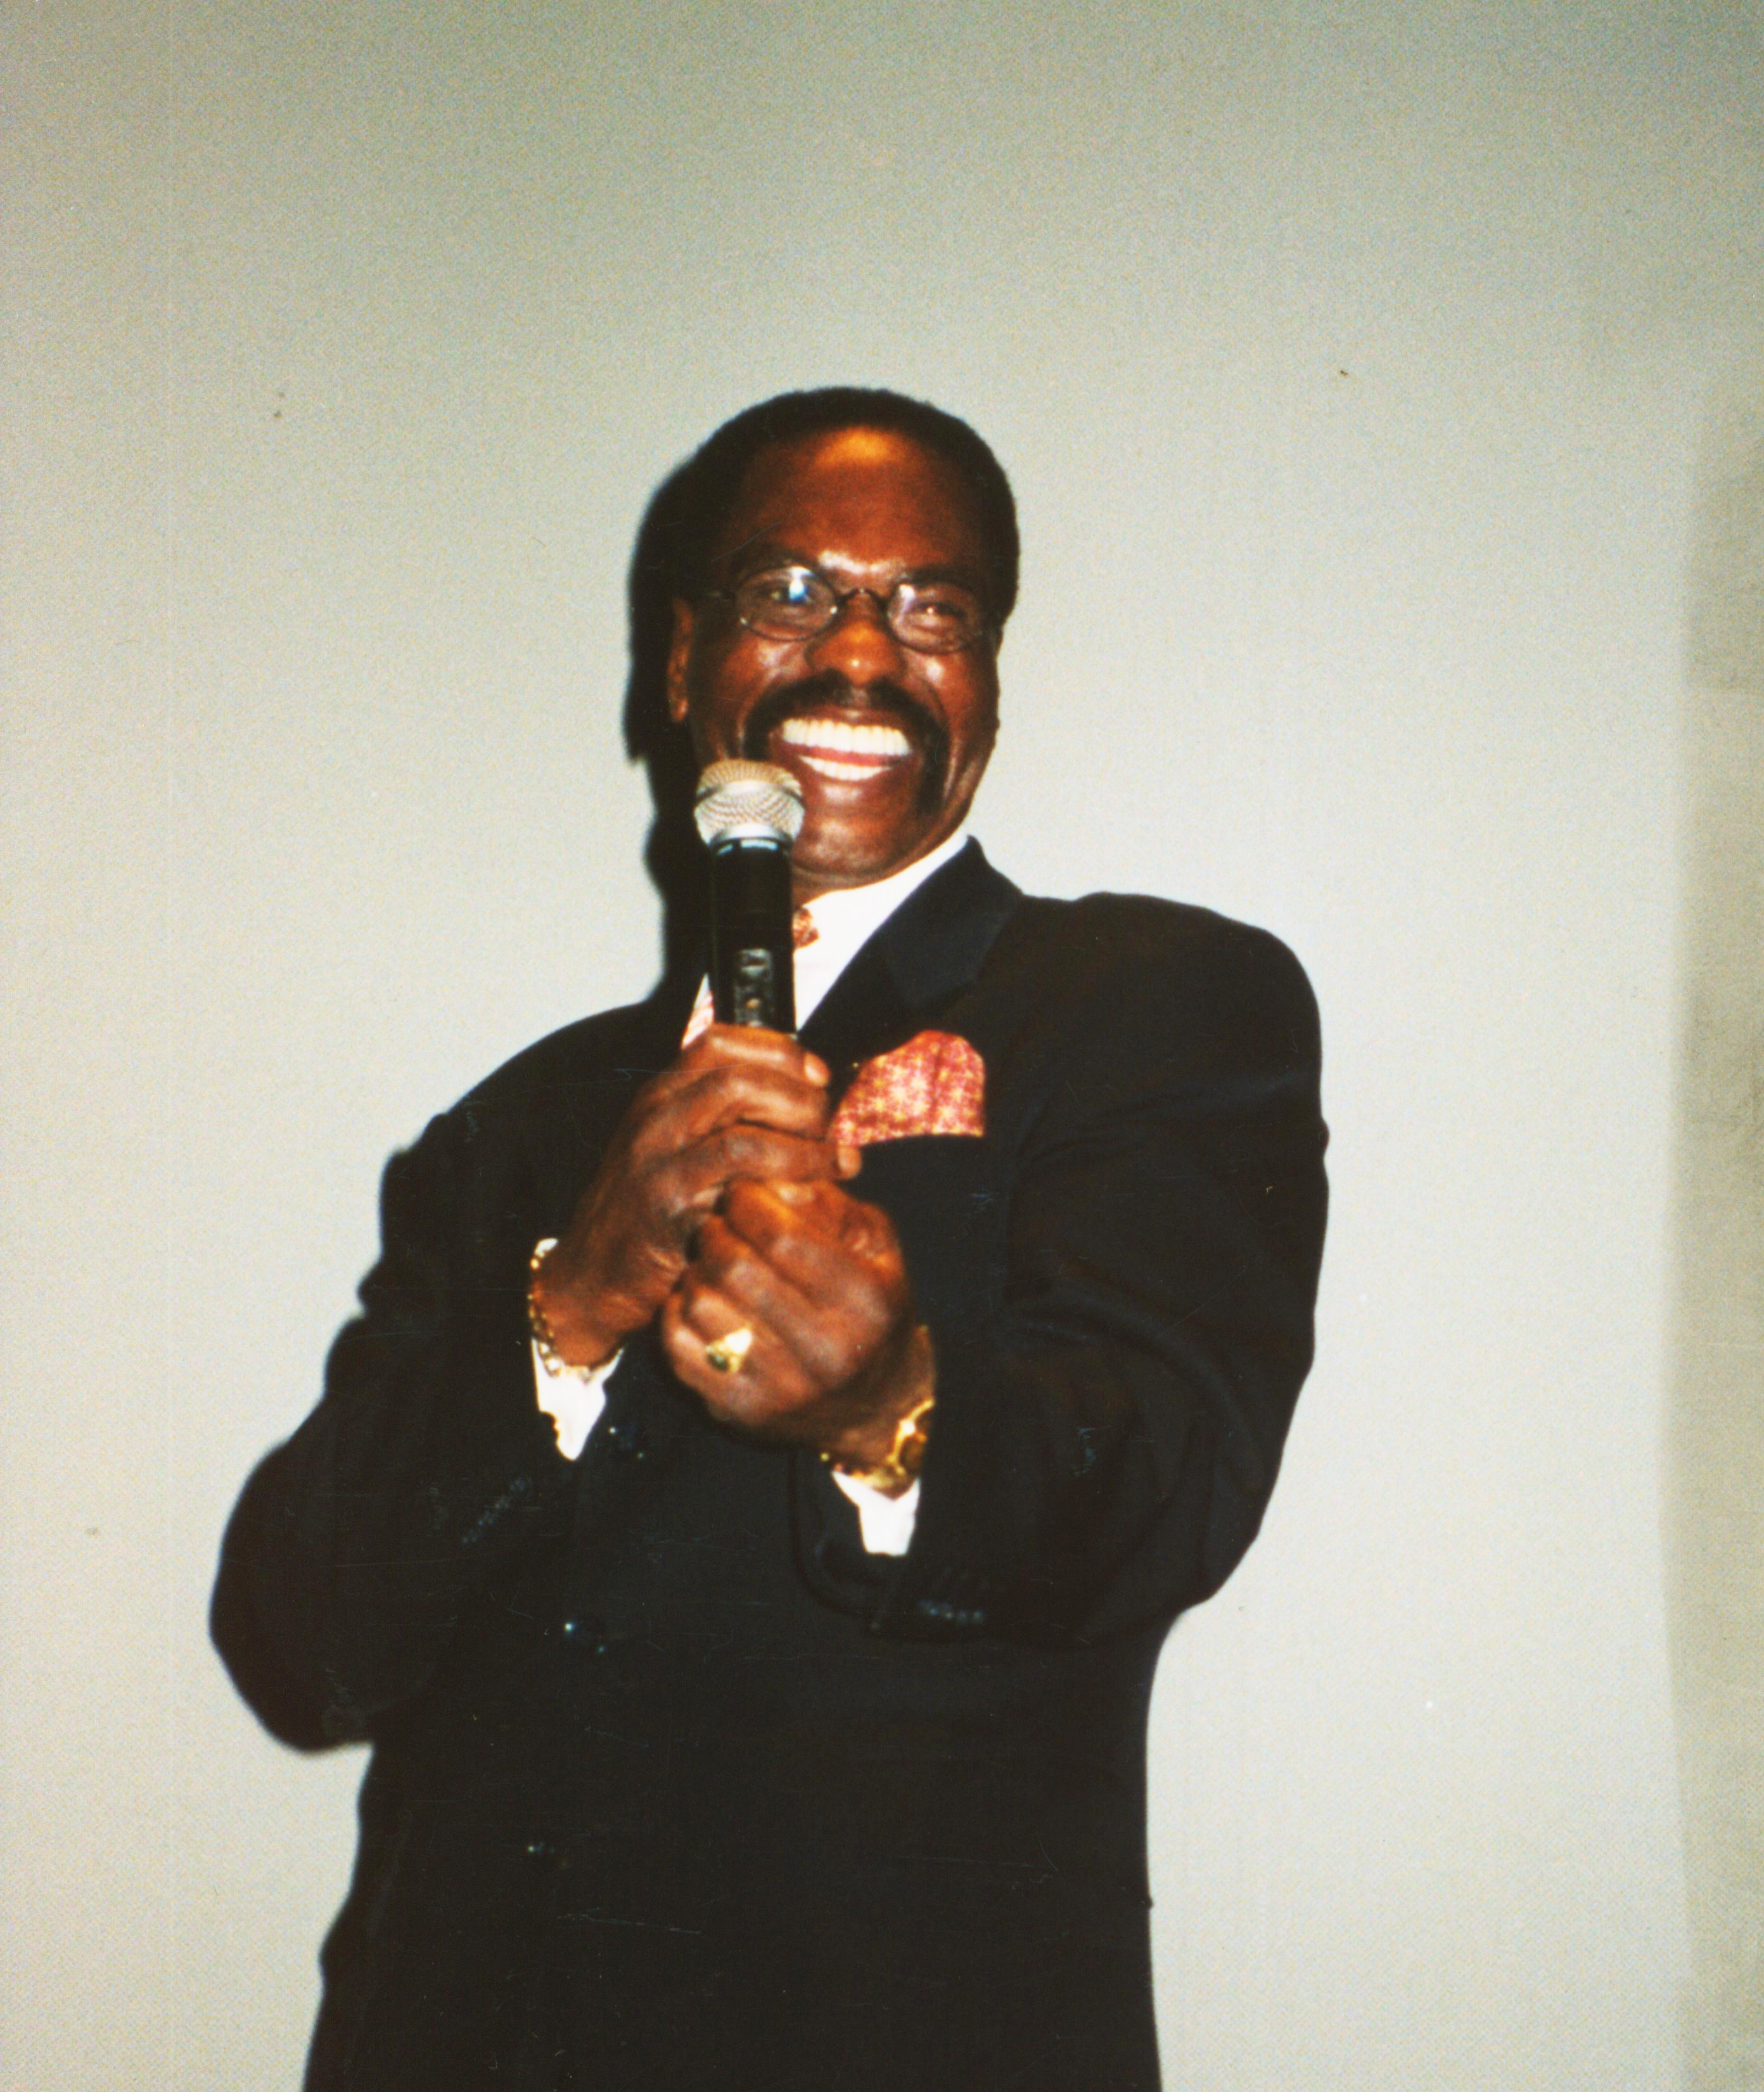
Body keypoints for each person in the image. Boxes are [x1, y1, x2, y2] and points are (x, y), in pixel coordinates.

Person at [213, 386, 1328, 2092]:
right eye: (793, 592)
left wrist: (891, 1404)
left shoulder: (1152, 1004)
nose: (865, 655)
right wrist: (570, 1306)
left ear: (992, 679)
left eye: (934, 608)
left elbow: (1164, 1478)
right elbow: (299, 1638)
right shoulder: (513, 1130)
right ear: (680, 664)